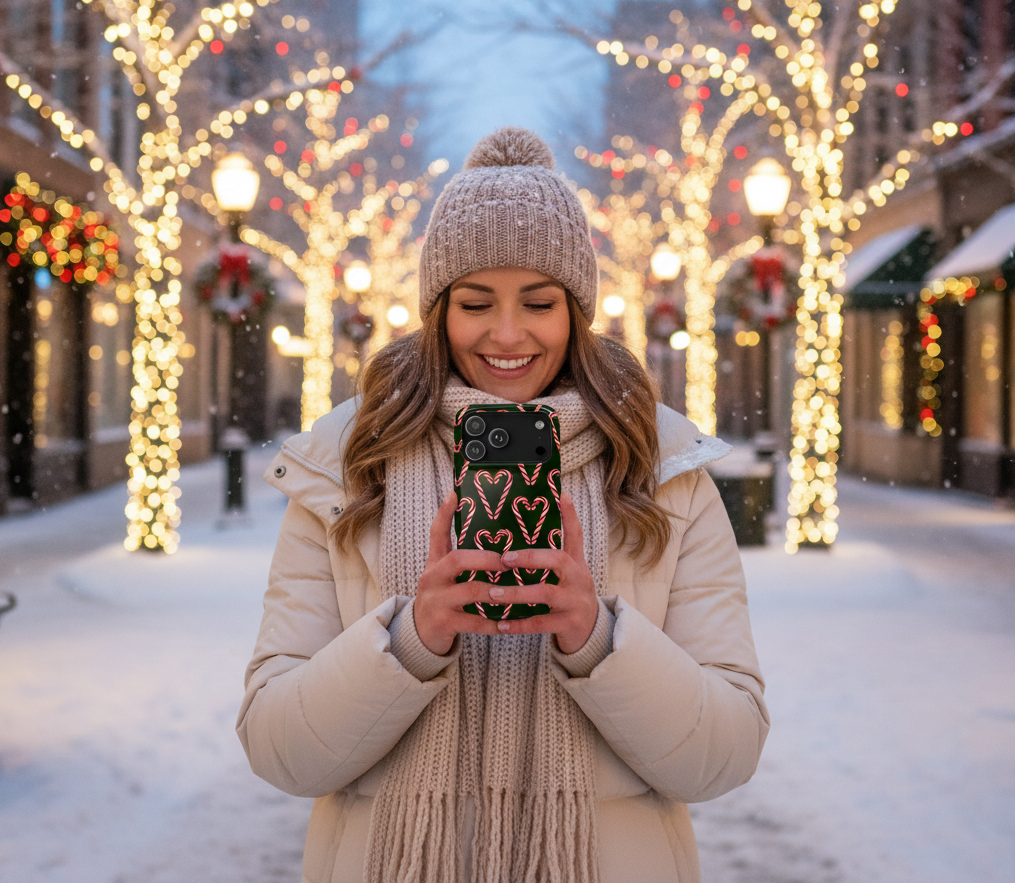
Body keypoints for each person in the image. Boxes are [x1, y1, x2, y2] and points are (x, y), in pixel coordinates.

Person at [237, 127, 769, 883]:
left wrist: (598, 637)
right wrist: (410, 639)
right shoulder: (347, 468)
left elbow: (725, 753)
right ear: (438, 311)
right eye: (476, 302)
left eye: (540, 303)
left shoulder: (663, 473)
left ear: (577, 311)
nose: (508, 333)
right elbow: (278, 747)